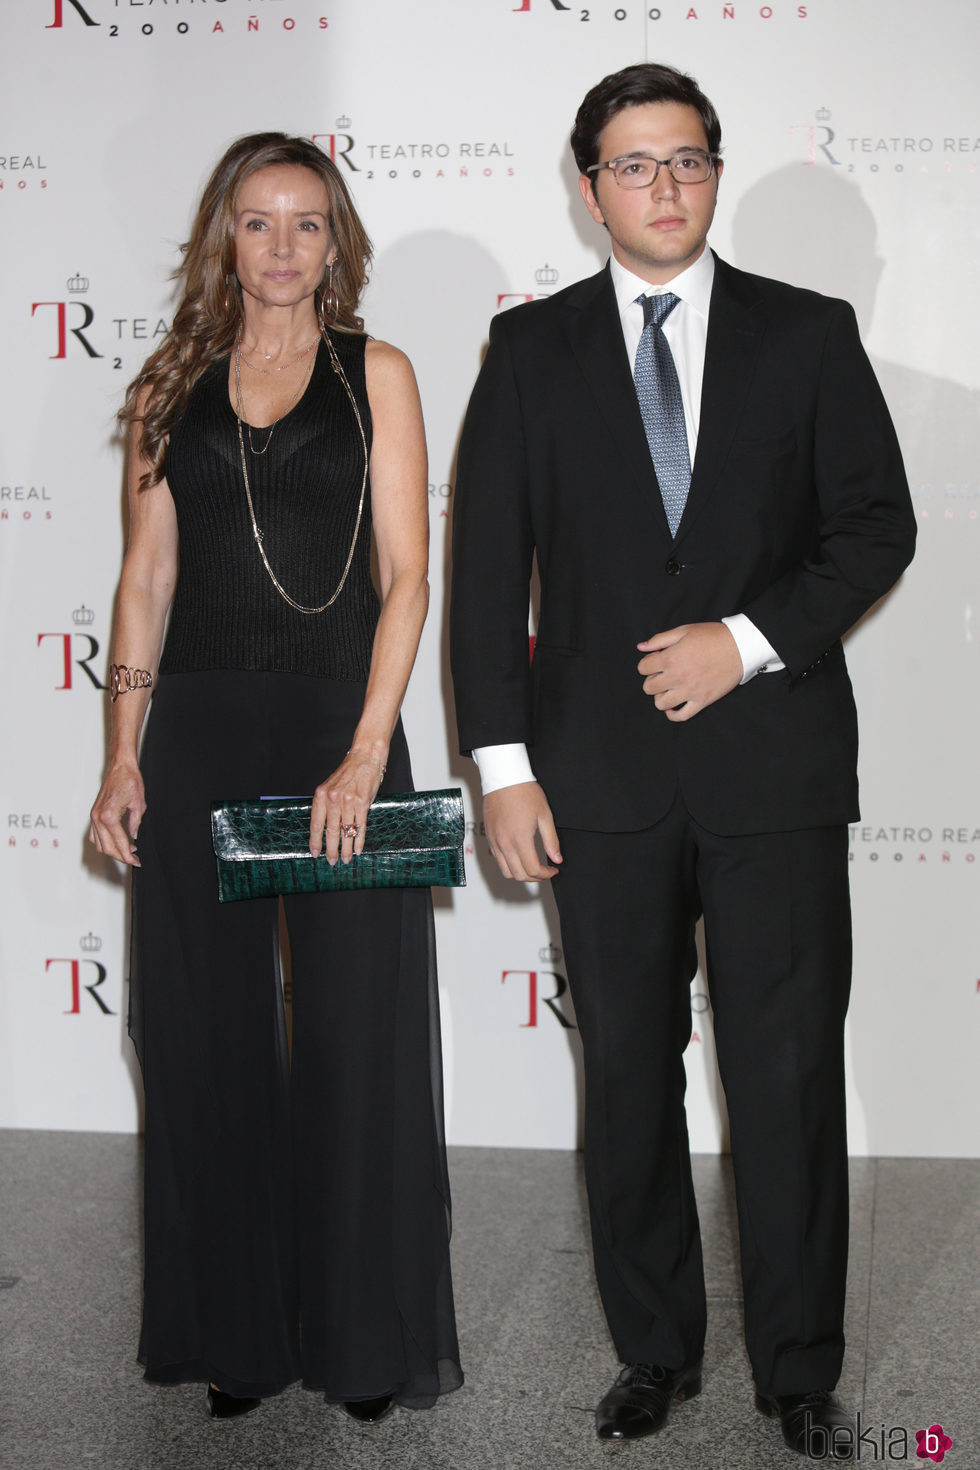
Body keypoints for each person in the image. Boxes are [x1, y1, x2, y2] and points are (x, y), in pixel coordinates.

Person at [450, 64, 914, 1460]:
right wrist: (504, 767)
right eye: (634, 163)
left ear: (714, 174)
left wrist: (749, 638)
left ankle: (799, 1372)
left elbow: (876, 527)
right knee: (632, 1083)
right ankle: (654, 1347)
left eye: (688, 160)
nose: (664, 185)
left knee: (783, 1077)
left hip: (771, 773)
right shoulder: (528, 354)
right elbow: (484, 579)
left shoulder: (808, 333)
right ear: (588, 186)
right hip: (593, 785)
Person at [89, 133, 462, 1422]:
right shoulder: (166, 389)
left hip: (335, 733)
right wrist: (122, 758)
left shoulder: (380, 375)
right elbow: (146, 581)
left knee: (359, 1042)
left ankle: (363, 1340)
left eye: (309, 223)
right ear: (224, 239)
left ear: (337, 240)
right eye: (260, 223)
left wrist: (365, 751)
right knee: (208, 1043)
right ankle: (236, 1335)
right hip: (193, 739)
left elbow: (410, 575)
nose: (286, 247)